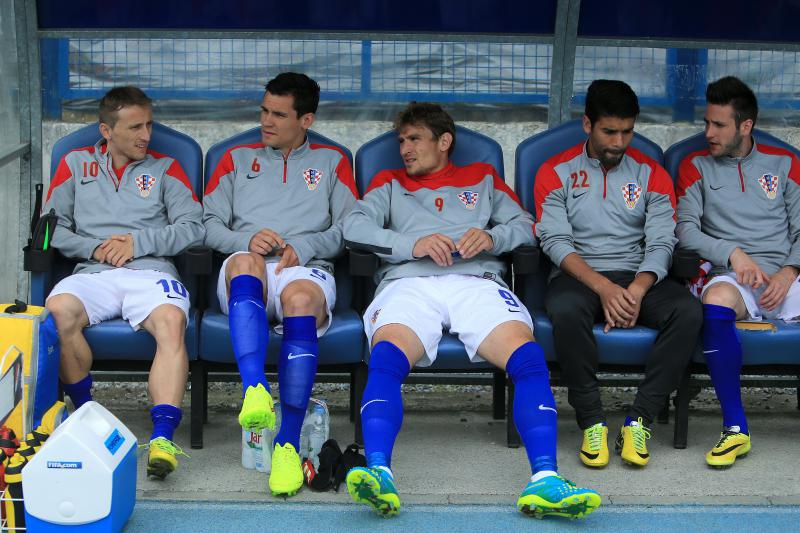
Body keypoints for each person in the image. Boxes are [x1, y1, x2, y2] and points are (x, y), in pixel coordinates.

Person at [342, 102, 600, 519]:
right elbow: (353, 227)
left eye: (415, 139)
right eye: (401, 140)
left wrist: (492, 237)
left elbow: (525, 224)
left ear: (444, 142)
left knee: (528, 359)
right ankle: (379, 473)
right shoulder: (388, 182)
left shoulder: (483, 179)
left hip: (476, 281)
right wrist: (415, 244)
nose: (404, 148)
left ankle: (545, 480)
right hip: (409, 282)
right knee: (387, 359)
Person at [203, 72, 357, 496]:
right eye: (263, 111)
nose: (266, 122)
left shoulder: (332, 162)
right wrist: (243, 239)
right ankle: (254, 390)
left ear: (305, 120)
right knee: (246, 263)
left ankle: (287, 447)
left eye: (278, 114)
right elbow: (206, 223)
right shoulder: (234, 159)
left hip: (305, 268)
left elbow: (351, 228)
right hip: (247, 268)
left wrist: (307, 246)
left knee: (301, 297)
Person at [535, 80, 702, 469]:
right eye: (609, 131)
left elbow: (662, 242)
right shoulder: (554, 171)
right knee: (564, 310)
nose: (619, 141)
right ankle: (592, 421)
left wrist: (638, 290)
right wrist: (606, 289)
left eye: (627, 132)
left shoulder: (652, 174)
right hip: (578, 276)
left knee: (689, 312)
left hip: (638, 274)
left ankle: (639, 420)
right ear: (587, 124)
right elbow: (555, 242)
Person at [44, 86, 205, 479]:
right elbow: (47, 229)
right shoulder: (74, 163)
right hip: (94, 272)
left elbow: (194, 227)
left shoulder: (166, 168)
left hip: (151, 272)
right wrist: (96, 248)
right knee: (58, 312)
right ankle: (86, 417)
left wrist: (137, 242)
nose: (146, 135)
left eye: (149, 125)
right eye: (135, 127)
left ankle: (163, 437)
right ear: (105, 130)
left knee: (170, 320)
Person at [676, 76, 800, 467]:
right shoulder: (694, 166)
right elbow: (684, 230)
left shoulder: (786, 164)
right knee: (716, 298)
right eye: (707, 123)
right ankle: (735, 428)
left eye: (719, 125)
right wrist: (732, 252)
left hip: (787, 276)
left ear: (745, 126)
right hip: (733, 277)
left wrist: (789, 271)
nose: (708, 132)